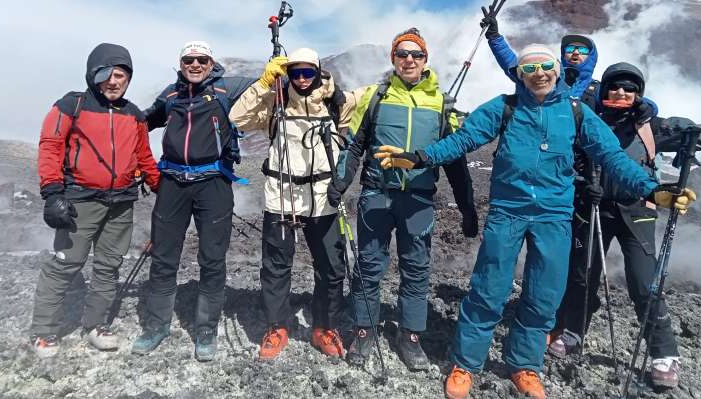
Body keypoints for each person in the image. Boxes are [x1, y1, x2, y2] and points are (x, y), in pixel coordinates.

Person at [373, 45, 697, 399]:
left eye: (545, 66)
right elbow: (463, 140)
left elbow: (613, 157)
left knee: (544, 295)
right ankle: (465, 364)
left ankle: (525, 365)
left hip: (553, 217)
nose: (539, 73)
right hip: (507, 212)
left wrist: (653, 189)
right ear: (520, 75)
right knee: (488, 290)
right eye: (530, 68)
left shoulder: (576, 114)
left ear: (556, 71)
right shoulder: (504, 107)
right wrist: (419, 158)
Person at [548, 62, 701, 389]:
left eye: (629, 88)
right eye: (614, 87)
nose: (621, 93)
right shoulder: (584, 121)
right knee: (582, 274)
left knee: (643, 280)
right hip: (591, 207)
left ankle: (664, 351)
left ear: (639, 94)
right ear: (604, 89)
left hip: (637, 210)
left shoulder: (652, 127)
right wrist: (582, 184)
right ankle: (573, 331)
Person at [329, 28, 477, 371]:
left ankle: (410, 335)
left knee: (416, 269)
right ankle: (364, 330)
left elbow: (454, 160)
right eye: (402, 54)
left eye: (416, 55)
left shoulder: (441, 103)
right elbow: (354, 146)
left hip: (419, 199)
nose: (409, 60)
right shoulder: (377, 96)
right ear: (393, 59)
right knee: (368, 265)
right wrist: (339, 184)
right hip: (377, 194)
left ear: (425, 60)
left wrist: (467, 206)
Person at [31, 43, 160, 358]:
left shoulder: (134, 115)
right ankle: (44, 332)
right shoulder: (71, 105)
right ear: (93, 74)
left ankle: (96, 325)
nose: (114, 81)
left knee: (108, 266)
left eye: (121, 75)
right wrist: (52, 193)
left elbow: (144, 156)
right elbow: (50, 146)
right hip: (80, 202)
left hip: (121, 205)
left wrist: (165, 191)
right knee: (65, 265)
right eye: (106, 74)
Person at [228, 48, 358, 360]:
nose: (301, 79)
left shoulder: (336, 102)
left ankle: (323, 326)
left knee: (331, 266)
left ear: (317, 71)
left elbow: (376, 99)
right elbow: (237, 118)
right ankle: (277, 327)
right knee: (275, 265)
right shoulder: (275, 101)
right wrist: (263, 82)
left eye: (307, 72)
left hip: (325, 199)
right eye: (294, 72)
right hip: (281, 197)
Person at [132, 41, 255, 362]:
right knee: (163, 257)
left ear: (212, 62)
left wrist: (279, 69)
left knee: (212, 259)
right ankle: (155, 325)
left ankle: (206, 330)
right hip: (172, 182)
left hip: (214, 183)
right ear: (181, 62)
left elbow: (266, 86)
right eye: (189, 59)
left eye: (202, 59)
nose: (196, 64)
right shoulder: (171, 94)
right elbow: (144, 121)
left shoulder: (227, 89)